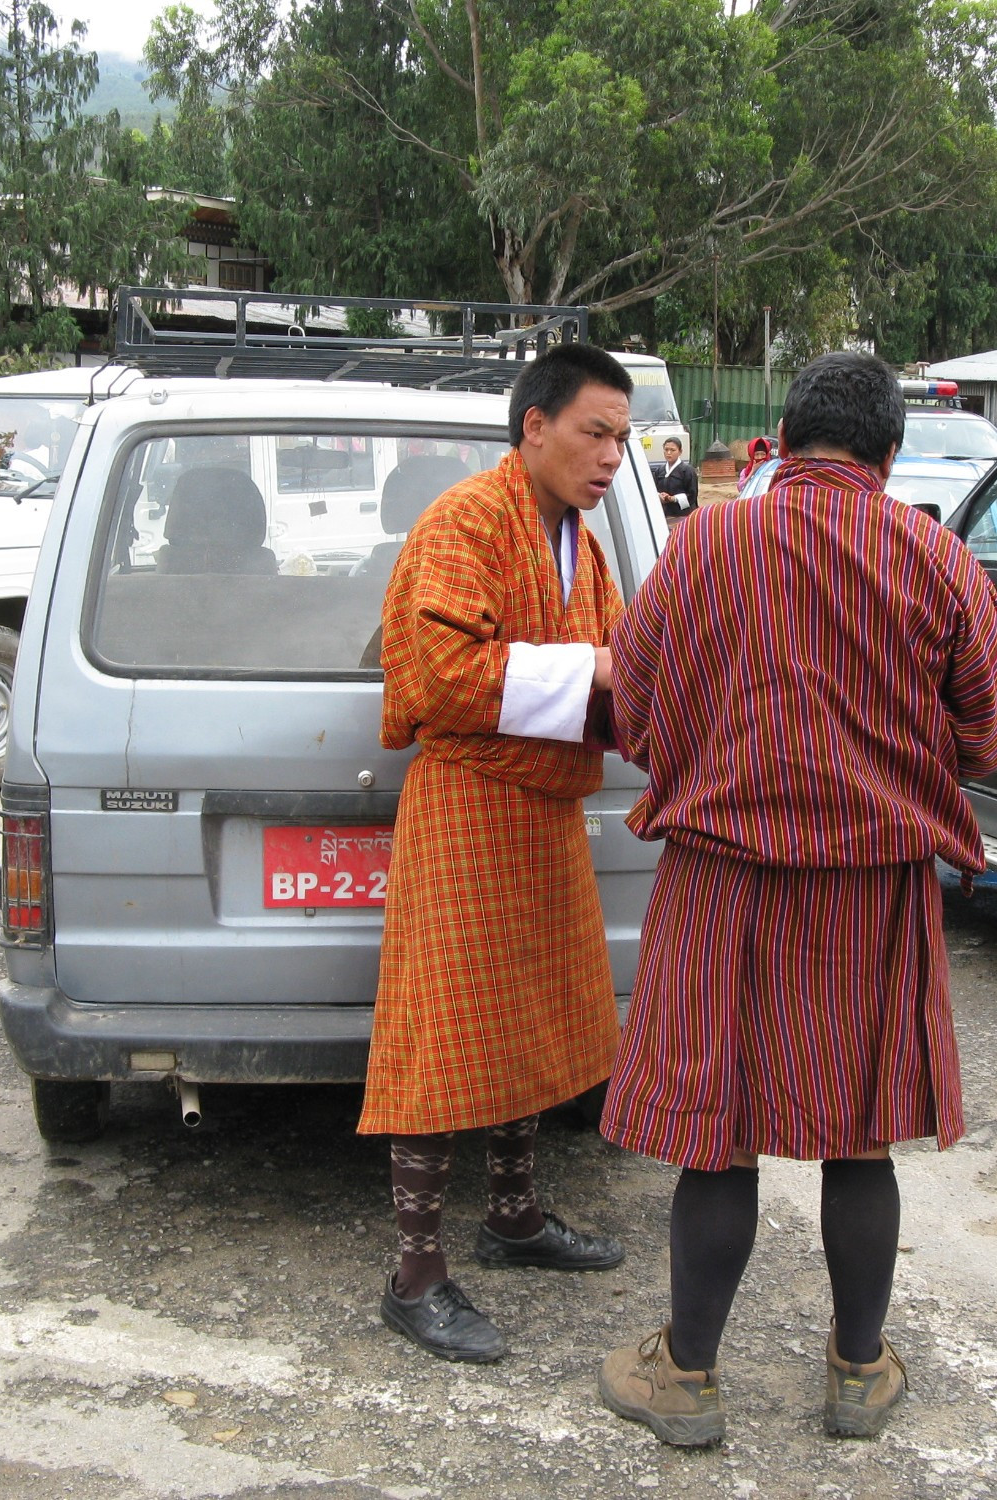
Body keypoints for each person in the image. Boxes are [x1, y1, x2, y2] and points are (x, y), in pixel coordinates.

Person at [593, 352, 997, 1445]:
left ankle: (686, 1379)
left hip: (720, 877)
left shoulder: (705, 547)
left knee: (718, 1134)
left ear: (780, 444)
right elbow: (987, 734)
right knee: (859, 1138)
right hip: (869, 892)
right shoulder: (936, 560)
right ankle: (855, 1369)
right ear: (888, 456)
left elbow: (631, 707)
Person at [358, 342, 636, 1363]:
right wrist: (598, 671)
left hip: (544, 810)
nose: (610, 457)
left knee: (535, 1011)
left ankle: (512, 1213)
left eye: (620, 437)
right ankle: (415, 1273)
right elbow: (441, 672)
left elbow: (616, 675)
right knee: (442, 1030)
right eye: (591, 432)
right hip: (470, 803)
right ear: (533, 427)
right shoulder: (465, 521)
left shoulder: (583, 545)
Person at [652, 438, 697, 519]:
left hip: (683, 515)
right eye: (666, 449)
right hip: (665, 514)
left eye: (672, 450)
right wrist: (659, 496)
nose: (668, 453)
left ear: (680, 452)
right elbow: (653, 489)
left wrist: (674, 499)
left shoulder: (687, 471)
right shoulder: (659, 470)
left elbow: (692, 495)